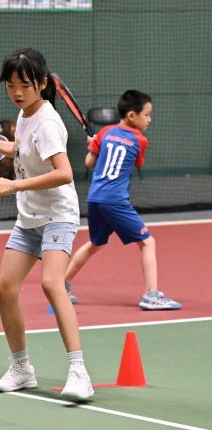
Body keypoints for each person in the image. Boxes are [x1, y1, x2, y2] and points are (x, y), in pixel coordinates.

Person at [0, 48, 93, 401]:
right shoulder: (25, 115)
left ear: (41, 84)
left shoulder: (49, 123)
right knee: (5, 288)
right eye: (10, 86)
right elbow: (21, 149)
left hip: (57, 214)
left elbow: (64, 173)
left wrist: (14, 185)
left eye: (24, 85)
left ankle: (79, 372)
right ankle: (22, 369)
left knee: (53, 284)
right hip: (30, 218)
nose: (16, 92)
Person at [65, 90, 181, 310]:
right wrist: (101, 143)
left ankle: (62, 286)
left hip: (94, 198)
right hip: (115, 201)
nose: (149, 119)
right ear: (131, 115)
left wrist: (96, 144)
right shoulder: (140, 140)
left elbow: (89, 162)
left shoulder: (105, 132)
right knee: (148, 242)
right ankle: (151, 296)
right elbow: (135, 164)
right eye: (146, 115)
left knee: (95, 244)